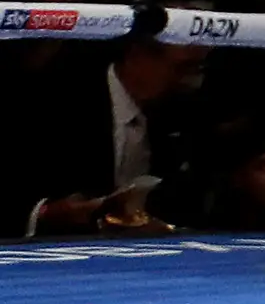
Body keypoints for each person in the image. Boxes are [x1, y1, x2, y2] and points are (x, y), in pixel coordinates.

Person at [0, 31, 202, 236]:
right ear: (137, 57)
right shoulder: (55, 99)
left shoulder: (183, 110)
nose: (189, 81)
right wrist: (46, 213)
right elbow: (14, 184)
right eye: (181, 68)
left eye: (197, 68)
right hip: (56, 247)